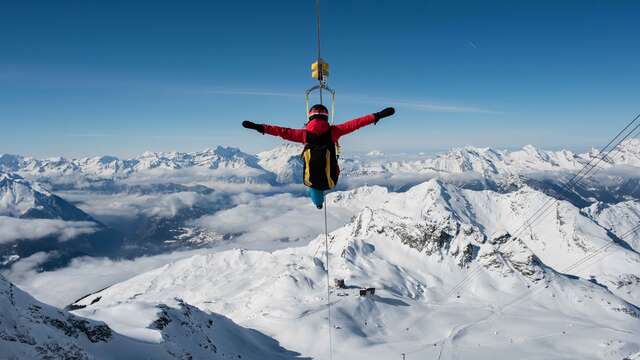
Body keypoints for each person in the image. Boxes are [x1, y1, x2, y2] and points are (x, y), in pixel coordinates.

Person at [242, 104, 395, 209]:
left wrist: (259, 127)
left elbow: (280, 131)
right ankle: (319, 200)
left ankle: (318, 203)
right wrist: (377, 116)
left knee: (313, 188)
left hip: (312, 179)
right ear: (326, 118)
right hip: (331, 179)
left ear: (310, 118)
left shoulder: (303, 135)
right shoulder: (335, 132)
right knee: (322, 178)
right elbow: (356, 123)